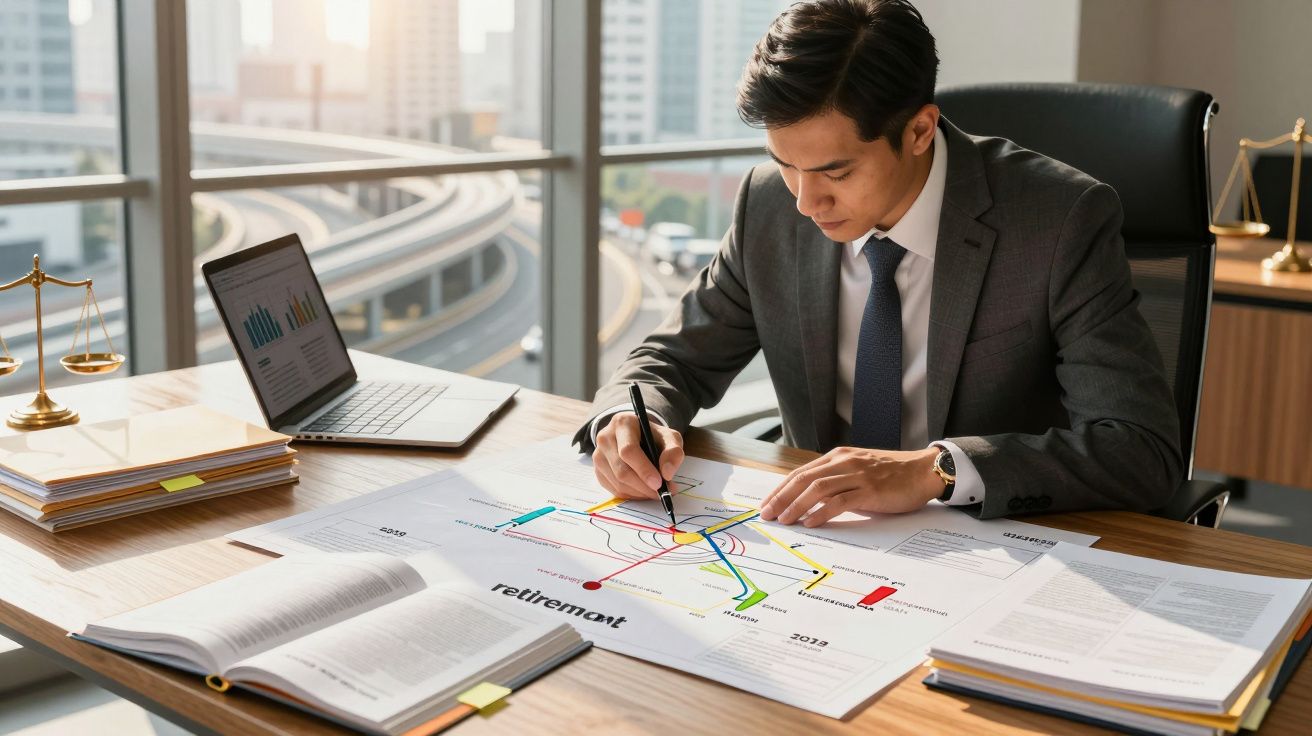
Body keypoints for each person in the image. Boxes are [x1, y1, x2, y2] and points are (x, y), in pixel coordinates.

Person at [573, 0, 1182, 527]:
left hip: (986, 545)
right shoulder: (768, 203)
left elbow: (1140, 451)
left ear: (920, 131)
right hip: (816, 542)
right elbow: (671, 358)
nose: (806, 203)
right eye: (787, 164)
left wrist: (936, 470)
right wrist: (635, 417)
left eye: (836, 172)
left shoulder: (1059, 220)